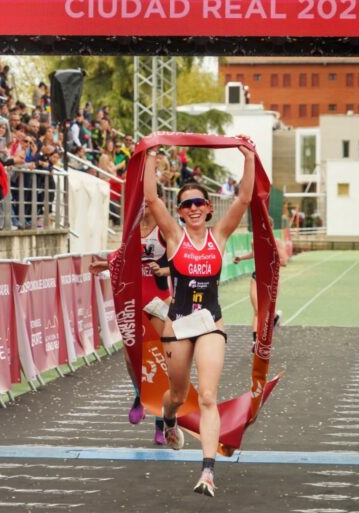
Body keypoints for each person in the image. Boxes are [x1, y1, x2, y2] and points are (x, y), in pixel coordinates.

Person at [144, 138, 255, 497]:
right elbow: (151, 200)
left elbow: (243, 199)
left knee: (207, 395)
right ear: (180, 211)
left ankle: (207, 471)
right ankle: (169, 420)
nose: (192, 208)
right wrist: (149, 156)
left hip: (210, 324)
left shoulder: (219, 236)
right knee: (176, 393)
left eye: (198, 203)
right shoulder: (175, 237)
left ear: (208, 208)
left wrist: (249, 159)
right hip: (178, 325)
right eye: (186, 204)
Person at [90, 201, 171, 446]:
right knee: (130, 357)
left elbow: (181, 262)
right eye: (142, 201)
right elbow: (122, 257)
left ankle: (160, 422)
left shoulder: (165, 229)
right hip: (134, 298)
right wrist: (105, 264)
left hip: (158, 300)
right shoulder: (132, 229)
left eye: (150, 201)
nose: (145, 204)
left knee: (157, 360)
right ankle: (139, 395)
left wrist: (164, 270)